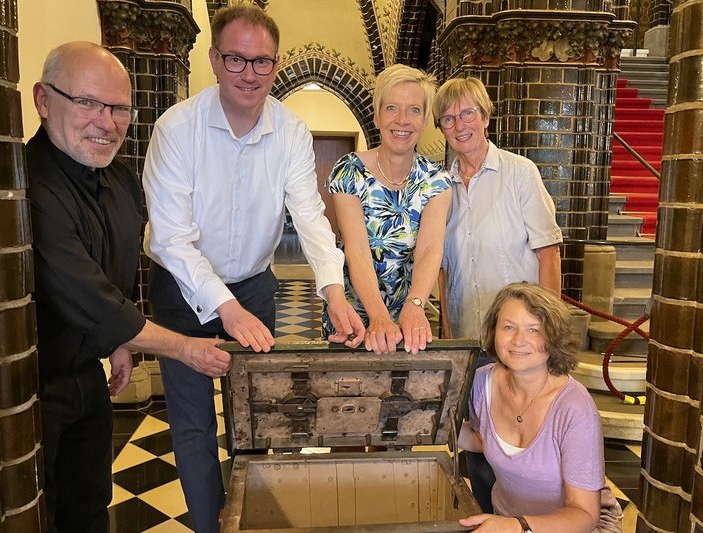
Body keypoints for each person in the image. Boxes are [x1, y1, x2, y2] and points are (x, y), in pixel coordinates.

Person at [141, 5, 366, 531]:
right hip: (183, 291)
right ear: (215, 60)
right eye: (236, 59)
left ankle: (251, 522)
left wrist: (333, 291)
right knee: (195, 427)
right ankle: (208, 526)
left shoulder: (290, 131)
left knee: (255, 420)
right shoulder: (177, 129)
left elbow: (310, 216)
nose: (249, 73)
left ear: (276, 62)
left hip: (255, 285)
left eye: (261, 61)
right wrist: (226, 306)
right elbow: (172, 239)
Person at [27, 42, 232, 533]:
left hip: (88, 376)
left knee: (90, 501)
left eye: (119, 108)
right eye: (88, 103)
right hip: (34, 387)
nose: (106, 121)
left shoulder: (120, 180)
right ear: (43, 100)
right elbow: (84, 293)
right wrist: (184, 348)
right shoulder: (26, 184)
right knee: (39, 512)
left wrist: (120, 341)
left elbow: (119, 273)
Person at [432, 77, 563, 511]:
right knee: (478, 447)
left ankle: (529, 519)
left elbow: (548, 252)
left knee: (523, 445)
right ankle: (488, 517)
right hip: (470, 341)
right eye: (448, 118)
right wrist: (450, 336)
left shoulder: (519, 173)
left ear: (486, 117)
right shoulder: (439, 187)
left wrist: (550, 330)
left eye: (468, 113)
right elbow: (442, 267)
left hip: (520, 342)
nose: (459, 124)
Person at [458, 283, 622, 533]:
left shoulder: (574, 408)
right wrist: (421, 421)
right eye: (508, 327)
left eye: (534, 330)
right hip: (509, 519)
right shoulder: (481, 381)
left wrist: (519, 526)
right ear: (494, 331)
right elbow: (483, 438)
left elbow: (584, 514)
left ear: (554, 338)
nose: (518, 340)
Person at [321, 64, 451, 355]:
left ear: (425, 119)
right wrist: (378, 317)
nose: (402, 120)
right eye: (392, 107)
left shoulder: (436, 181)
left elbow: (430, 249)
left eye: (414, 110)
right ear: (377, 116)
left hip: (408, 312)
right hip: (352, 311)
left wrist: (415, 305)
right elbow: (356, 250)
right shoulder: (349, 171)